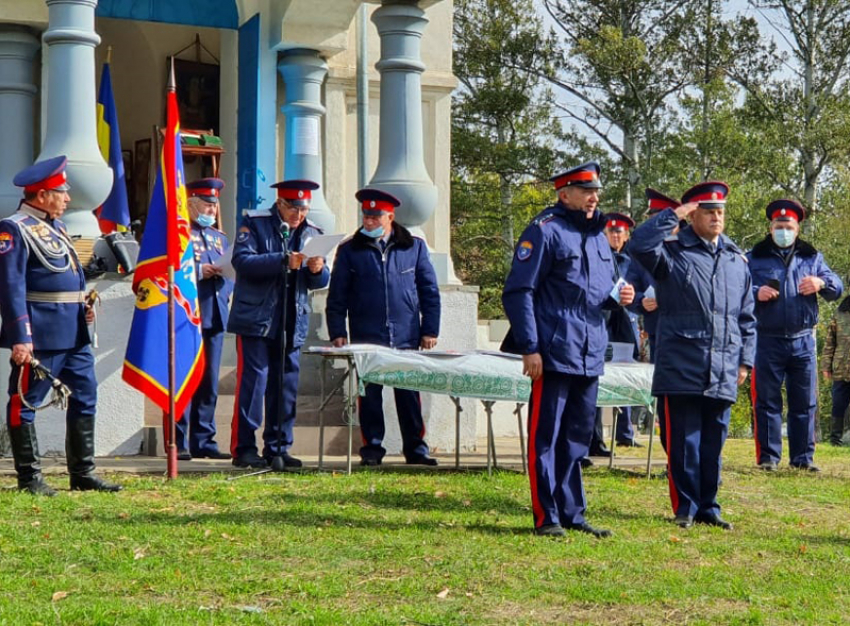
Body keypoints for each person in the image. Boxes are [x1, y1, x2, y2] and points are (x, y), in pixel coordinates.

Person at [502, 162, 635, 538]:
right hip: (554, 351)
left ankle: (573, 513)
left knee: (577, 436)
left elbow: (596, 294)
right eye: (586, 191)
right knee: (546, 436)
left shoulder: (598, 236)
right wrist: (530, 347)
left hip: (590, 351)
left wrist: (619, 297)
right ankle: (547, 516)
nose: (594, 198)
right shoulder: (545, 231)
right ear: (565, 194)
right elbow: (518, 292)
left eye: (597, 192)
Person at [630, 180, 756, 530]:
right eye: (708, 211)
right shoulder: (671, 252)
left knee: (713, 442)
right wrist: (673, 215)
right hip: (682, 360)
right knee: (684, 442)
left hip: (724, 363)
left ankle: (708, 507)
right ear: (693, 215)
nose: (716, 217)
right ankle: (684, 508)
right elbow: (638, 244)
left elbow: (746, 317)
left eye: (720, 212)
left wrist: (745, 360)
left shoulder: (736, 259)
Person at [0, 156, 121, 495]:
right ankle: (30, 478)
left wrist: (81, 306)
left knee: (85, 396)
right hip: (41, 336)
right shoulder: (14, 229)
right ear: (41, 195)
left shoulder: (59, 227)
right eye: (61, 191)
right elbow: (11, 289)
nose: (67, 198)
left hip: (74, 333)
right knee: (24, 402)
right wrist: (20, 339)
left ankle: (82, 473)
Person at [326, 188, 441, 467]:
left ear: (390, 217)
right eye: (366, 216)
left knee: (409, 395)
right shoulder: (350, 249)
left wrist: (430, 330)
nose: (369, 222)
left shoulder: (413, 246)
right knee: (370, 397)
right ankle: (372, 450)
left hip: (406, 334)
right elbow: (337, 295)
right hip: (367, 335)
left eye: (375, 217)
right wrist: (337, 331)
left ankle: (416, 449)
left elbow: (429, 291)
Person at [227, 179, 329, 469]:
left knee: (285, 387)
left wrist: (318, 270)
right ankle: (244, 448)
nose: (299, 215)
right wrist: (283, 260)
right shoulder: (256, 224)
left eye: (304, 209)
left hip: (291, 320)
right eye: (293, 208)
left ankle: (279, 447)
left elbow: (320, 281)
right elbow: (243, 261)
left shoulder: (312, 232)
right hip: (256, 319)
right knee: (253, 384)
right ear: (280, 204)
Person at [746, 199, 842, 472]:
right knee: (767, 402)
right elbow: (737, 287)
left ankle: (802, 459)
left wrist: (820, 282)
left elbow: (837, 287)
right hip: (767, 339)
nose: (783, 230)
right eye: (779, 225)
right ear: (770, 227)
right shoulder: (755, 256)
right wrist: (756, 292)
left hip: (802, 340)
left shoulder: (812, 257)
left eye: (788, 226)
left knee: (805, 403)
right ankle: (768, 458)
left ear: (797, 228)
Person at [174, 178, 233, 460]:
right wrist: (200, 271)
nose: (212, 209)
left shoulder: (220, 238)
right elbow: (173, 270)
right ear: (191, 203)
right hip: (188, 315)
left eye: (214, 204)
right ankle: (179, 440)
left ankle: (204, 439)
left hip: (216, 314)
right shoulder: (180, 233)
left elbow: (233, 271)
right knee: (185, 379)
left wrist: (223, 277)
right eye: (207, 204)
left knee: (209, 381)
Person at [626, 189, 681, 455]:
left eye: (661, 218)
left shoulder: (690, 247)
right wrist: (639, 301)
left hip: (692, 335)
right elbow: (627, 289)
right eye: (653, 219)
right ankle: (672, 457)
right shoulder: (642, 256)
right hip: (660, 333)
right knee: (668, 399)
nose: (656, 224)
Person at [822, 294, 850, 446]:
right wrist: (826, 365)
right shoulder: (840, 313)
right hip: (841, 368)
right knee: (838, 404)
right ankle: (835, 439)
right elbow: (829, 342)